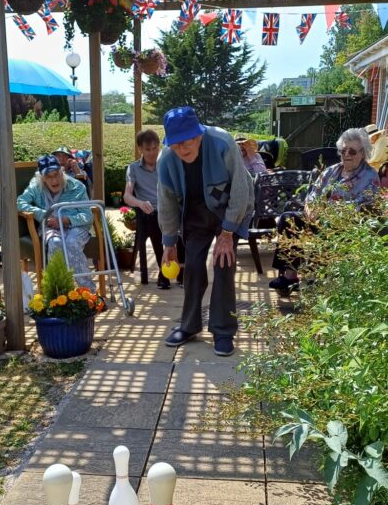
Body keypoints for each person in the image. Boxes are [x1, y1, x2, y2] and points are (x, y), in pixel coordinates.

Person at [157, 106, 254, 357]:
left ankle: (223, 331)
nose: (182, 148)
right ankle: (189, 325)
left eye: (187, 140)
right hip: (195, 214)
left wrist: (227, 233)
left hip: (229, 210)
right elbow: (166, 203)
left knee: (223, 264)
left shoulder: (222, 142)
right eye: (175, 143)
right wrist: (169, 243)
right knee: (192, 267)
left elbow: (241, 190)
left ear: (199, 134)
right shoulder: (165, 160)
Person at [269, 127, 381, 293]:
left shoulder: (370, 176)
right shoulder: (332, 171)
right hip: (317, 218)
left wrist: (329, 214)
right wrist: (310, 209)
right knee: (288, 218)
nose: (346, 154)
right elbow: (313, 194)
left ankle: (317, 278)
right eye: (343, 150)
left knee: (327, 228)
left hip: (345, 226)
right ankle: (290, 275)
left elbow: (362, 206)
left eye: (352, 151)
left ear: (363, 153)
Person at [17, 154, 94, 290]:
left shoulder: (76, 186)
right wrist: (43, 215)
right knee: (55, 242)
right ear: (42, 178)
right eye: (49, 176)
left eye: (56, 174)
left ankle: (88, 291)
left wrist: (66, 220)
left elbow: (87, 216)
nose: (54, 180)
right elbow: (20, 202)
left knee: (71, 242)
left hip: (76, 226)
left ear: (62, 172)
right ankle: (58, 292)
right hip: (50, 227)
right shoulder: (36, 186)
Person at [124, 129, 183, 289]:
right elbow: (127, 196)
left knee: (184, 221)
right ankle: (164, 272)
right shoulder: (133, 168)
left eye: (155, 148)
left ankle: (181, 272)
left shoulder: (167, 163)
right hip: (150, 212)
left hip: (171, 209)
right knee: (154, 224)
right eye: (148, 149)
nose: (152, 153)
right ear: (140, 149)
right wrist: (140, 203)